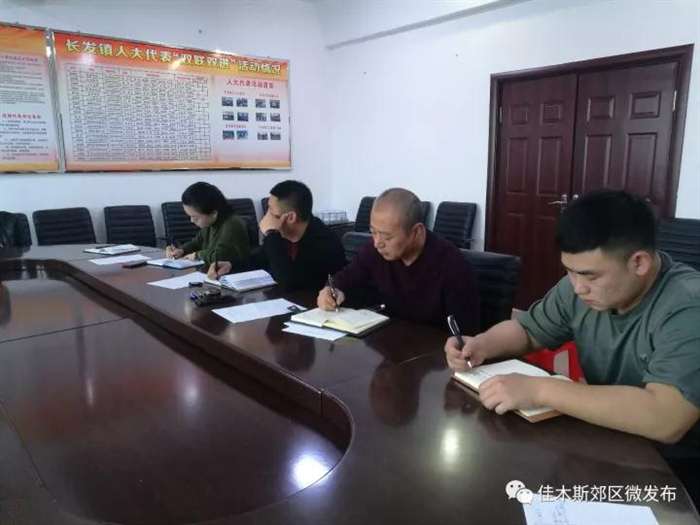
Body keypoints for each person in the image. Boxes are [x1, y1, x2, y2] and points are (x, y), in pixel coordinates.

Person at [444, 190, 700, 503]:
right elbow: (528, 330)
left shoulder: (688, 306)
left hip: (678, 466)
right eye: (570, 271)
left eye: (589, 275)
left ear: (639, 262)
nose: (577, 287)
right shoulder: (580, 288)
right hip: (611, 438)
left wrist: (541, 390)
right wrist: (482, 344)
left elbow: (666, 418)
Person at [317, 188, 479, 333]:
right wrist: (331, 290)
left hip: (434, 351)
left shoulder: (452, 265)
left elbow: (465, 334)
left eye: (387, 236)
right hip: (388, 344)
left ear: (417, 231)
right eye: (373, 232)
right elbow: (345, 278)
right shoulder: (375, 251)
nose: (377, 243)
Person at [208, 180, 346, 291]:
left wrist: (270, 234)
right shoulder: (284, 234)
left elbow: (289, 282)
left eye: (271, 211)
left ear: (290, 217)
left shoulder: (325, 241)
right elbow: (261, 258)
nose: (267, 216)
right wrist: (231, 265)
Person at [165, 182, 250, 267]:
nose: (192, 220)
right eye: (190, 216)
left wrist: (197, 255)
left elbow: (222, 255)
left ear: (213, 213)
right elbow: (196, 243)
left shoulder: (233, 224)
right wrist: (181, 250)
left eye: (195, 217)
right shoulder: (210, 223)